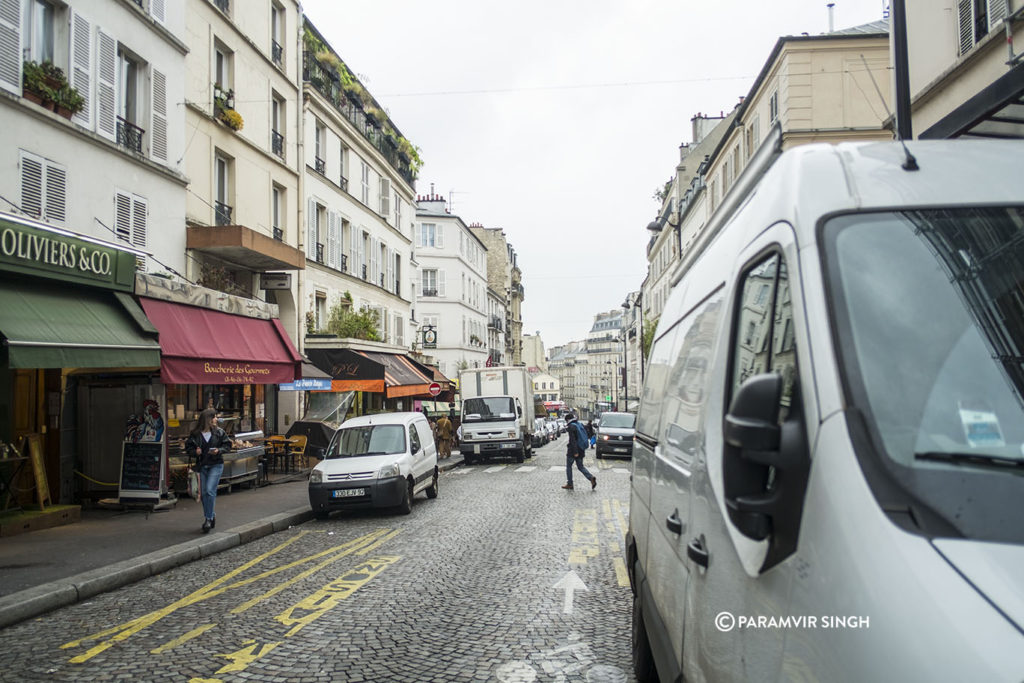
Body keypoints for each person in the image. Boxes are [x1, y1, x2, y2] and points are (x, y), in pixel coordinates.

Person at [185, 409, 232, 533]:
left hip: (216, 464)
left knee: (210, 490)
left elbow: (227, 445)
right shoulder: (195, 434)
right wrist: (195, 452)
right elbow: (188, 447)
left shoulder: (219, 432)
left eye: (216, 417)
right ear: (207, 419)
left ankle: (208, 519)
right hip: (202, 466)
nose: (215, 419)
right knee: (204, 493)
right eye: (213, 417)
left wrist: (218, 450)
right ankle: (211, 514)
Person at [562, 413, 596, 490]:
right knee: (580, 466)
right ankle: (591, 478)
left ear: (567, 420)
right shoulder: (580, 424)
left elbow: (572, 440)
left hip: (573, 450)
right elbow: (587, 434)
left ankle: (570, 483)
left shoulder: (571, 427)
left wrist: (575, 452)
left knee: (569, 466)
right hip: (581, 449)